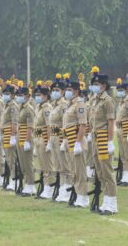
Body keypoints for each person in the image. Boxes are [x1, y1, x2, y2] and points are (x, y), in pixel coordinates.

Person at [89, 67, 117, 215]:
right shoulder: (94, 100)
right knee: (100, 172)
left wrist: (110, 141)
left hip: (103, 138)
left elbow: (111, 122)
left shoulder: (107, 101)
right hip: (95, 138)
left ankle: (112, 203)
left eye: (97, 84)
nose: (95, 86)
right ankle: (106, 201)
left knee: (107, 171)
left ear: (104, 86)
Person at [62, 75, 89, 208]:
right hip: (70, 141)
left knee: (80, 171)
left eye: (69, 89)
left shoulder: (80, 104)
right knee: (73, 170)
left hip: (78, 142)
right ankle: (78, 194)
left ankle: (83, 196)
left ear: (76, 91)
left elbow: (83, 125)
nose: (66, 92)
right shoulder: (69, 104)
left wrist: (78, 142)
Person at [50, 74, 71, 202]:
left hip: (61, 137)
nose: (55, 92)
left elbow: (65, 124)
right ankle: (62, 187)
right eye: (53, 90)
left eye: (57, 90)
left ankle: (67, 189)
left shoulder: (64, 105)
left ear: (63, 92)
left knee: (65, 165)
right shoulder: (55, 104)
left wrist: (64, 140)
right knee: (57, 165)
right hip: (53, 137)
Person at [33, 81, 55, 199]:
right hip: (37, 138)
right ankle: (45, 188)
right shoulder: (38, 107)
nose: (37, 97)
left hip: (44, 138)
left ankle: (49, 188)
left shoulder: (47, 108)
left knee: (47, 166)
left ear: (46, 96)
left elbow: (48, 126)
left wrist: (48, 142)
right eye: (36, 95)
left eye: (39, 95)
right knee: (42, 165)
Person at [15, 83, 36, 196]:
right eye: (18, 95)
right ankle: (27, 184)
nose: (19, 96)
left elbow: (30, 127)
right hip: (20, 138)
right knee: (23, 164)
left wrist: (27, 141)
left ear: (28, 96)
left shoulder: (29, 109)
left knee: (28, 163)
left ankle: (31, 186)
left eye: (22, 95)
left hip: (26, 138)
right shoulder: (21, 107)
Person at [115, 78, 128, 186]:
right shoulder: (121, 102)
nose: (119, 91)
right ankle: (125, 176)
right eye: (118, 90)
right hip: (119, 130)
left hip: (126, 130)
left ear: (126, 91)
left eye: (121, 89)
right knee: (123, 154)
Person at [0, 82, 19, 191]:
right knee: (8, 158)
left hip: (9, 134)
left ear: (12, 95)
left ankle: (14, 179)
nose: (5, 95)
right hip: (4, 135)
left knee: (12, 159)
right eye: (4, 93)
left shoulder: (13, 106)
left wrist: (12, 136)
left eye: (7, 93)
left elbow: (14, 122)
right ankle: (12, 178)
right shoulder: (6, 105)